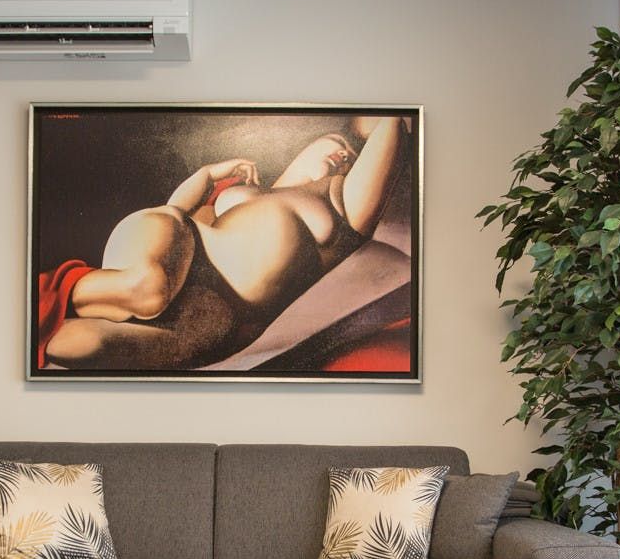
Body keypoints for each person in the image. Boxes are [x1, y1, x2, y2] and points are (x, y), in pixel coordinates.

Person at [38, 115, 411, 370]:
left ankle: (39, 329)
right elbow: (174, 214)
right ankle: (51, 291)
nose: (344, 156)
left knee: (91, 344)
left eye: (352, 158)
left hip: (214, 313)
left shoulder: (344, 205)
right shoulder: (241, 192)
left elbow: (391, 127)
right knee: (150, 288)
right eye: (338, 143)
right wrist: (206, 175)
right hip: (175, 243)